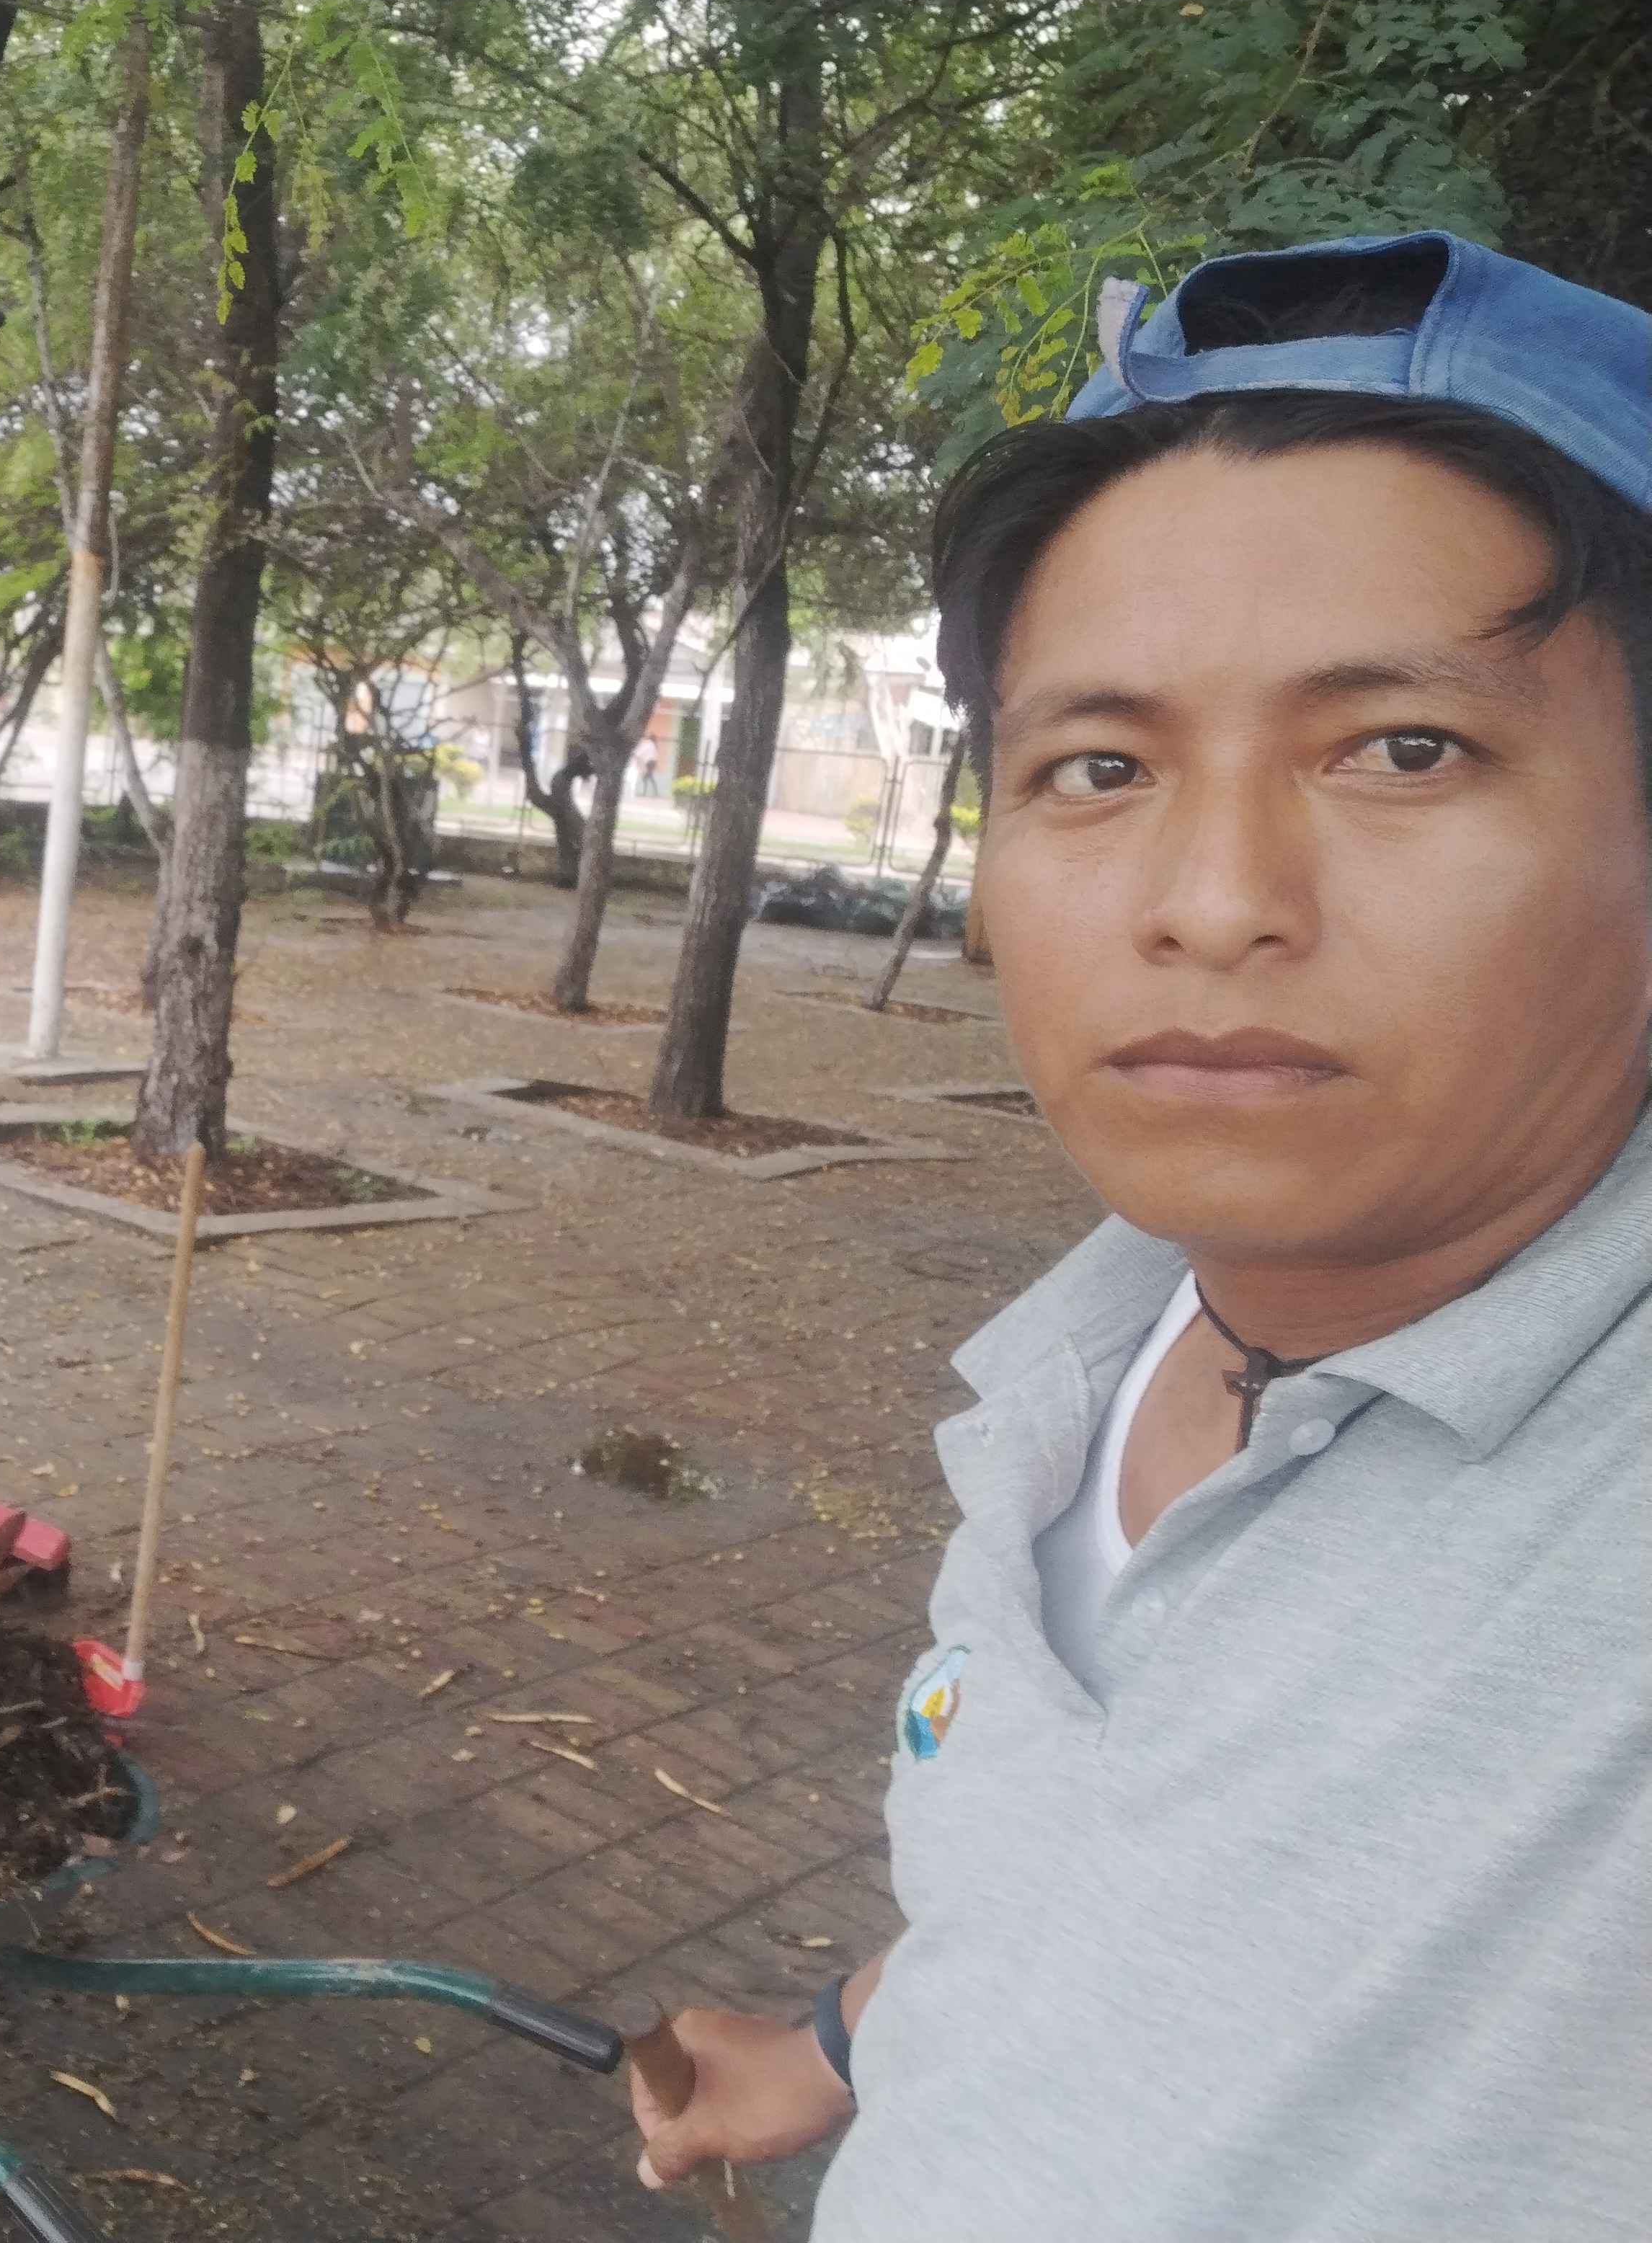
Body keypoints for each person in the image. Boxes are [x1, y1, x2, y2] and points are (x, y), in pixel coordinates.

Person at [629, 231, 1651, 2240]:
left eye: (1406, 749)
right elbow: (1104, 1879)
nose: (1212, 899)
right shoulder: (1097, 1350)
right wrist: (846, 2045)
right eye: (1099, 768)